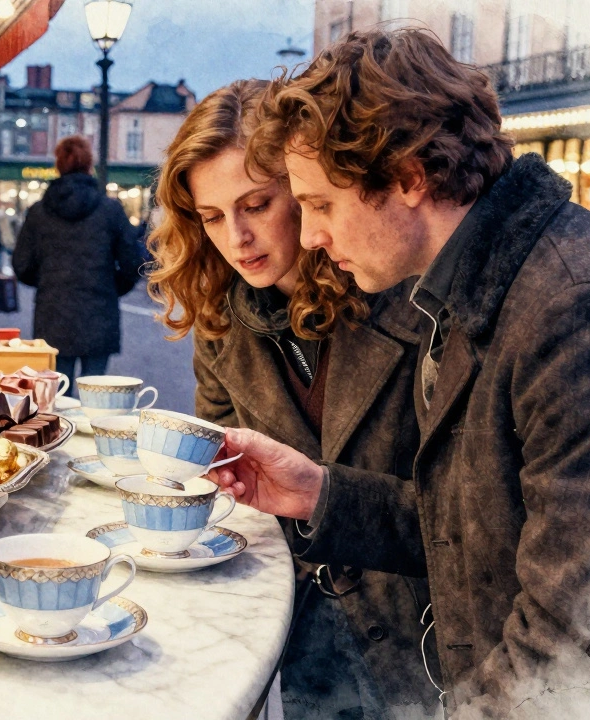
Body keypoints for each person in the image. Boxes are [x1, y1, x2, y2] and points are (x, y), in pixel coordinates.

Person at [212, 28, 590, 716]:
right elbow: (468, 529)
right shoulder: (476, 285)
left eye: (319, 204)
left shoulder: (578, 305)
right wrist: (320, 493)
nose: (309, 237)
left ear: (407, 177)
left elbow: (580, 635)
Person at [149, 80, 438, 717]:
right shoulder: (221, 319)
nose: (237, 238)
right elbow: (230, 492)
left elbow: (465, 515)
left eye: (256, 204)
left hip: (425, 639)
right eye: (212, 216)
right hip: (308, 636)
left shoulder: (402, 293)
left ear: (306, 193)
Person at [13, 136, 145, 386]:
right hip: (99, 311)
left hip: (52, 312)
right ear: (89, 165)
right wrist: (111, 287)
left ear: (58, 166)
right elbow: (132, 263)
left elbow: (22, 265)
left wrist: (48, 281)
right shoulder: (110, 210)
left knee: (56, 396)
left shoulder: (39, 212)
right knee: (94, 394)